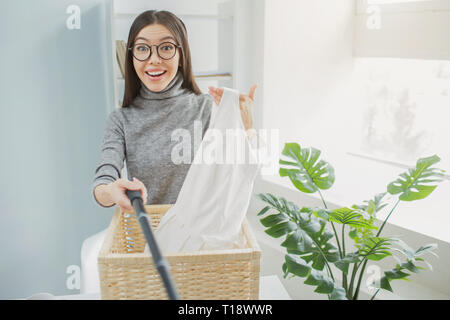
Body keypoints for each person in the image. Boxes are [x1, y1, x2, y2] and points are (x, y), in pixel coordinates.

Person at [92, 10, 258, 213]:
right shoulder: (121, 120)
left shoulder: (207, 108)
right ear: (132, 56)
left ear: (181, 55)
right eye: (143, 48)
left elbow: (234, 178)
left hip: (203, 237)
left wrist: (247, 129)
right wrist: (111, 191)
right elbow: (104, 177)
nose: (154, 59)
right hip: (150, 238)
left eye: (166, 47)